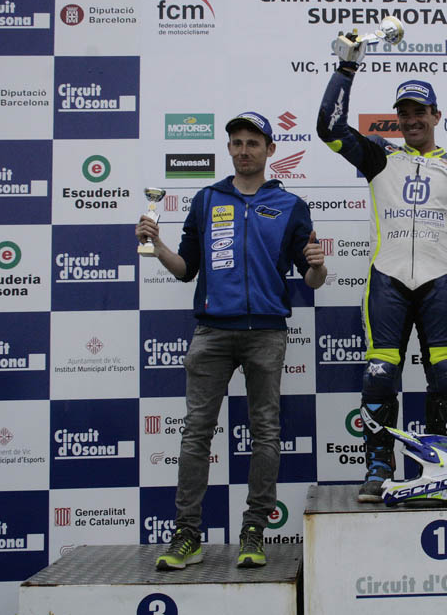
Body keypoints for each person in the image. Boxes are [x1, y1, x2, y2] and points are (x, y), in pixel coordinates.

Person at [136, 111, 327, 570]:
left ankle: (254, 530)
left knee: (265, 433)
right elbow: (186, 270)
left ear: (270, 150)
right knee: (195, 433)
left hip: (266, 333)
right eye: (237, 143)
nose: (244, 150)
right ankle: (187, 534)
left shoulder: (291, 206)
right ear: (229, 149)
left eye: (253, 143)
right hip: (212, 332)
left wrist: (320, 265)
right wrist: (157, 246)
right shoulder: (206, 200)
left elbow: (312, 280)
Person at [316, 31, 447, 502]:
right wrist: (346, 69)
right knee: (379, 374)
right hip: (388, 280)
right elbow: (329, 129)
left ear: (436, 116)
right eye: (405, 112)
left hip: (442, 281)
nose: (413, 119)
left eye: (421, 112)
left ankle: (443, 467)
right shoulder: (379, 156)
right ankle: (379, 466)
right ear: (397, 118)